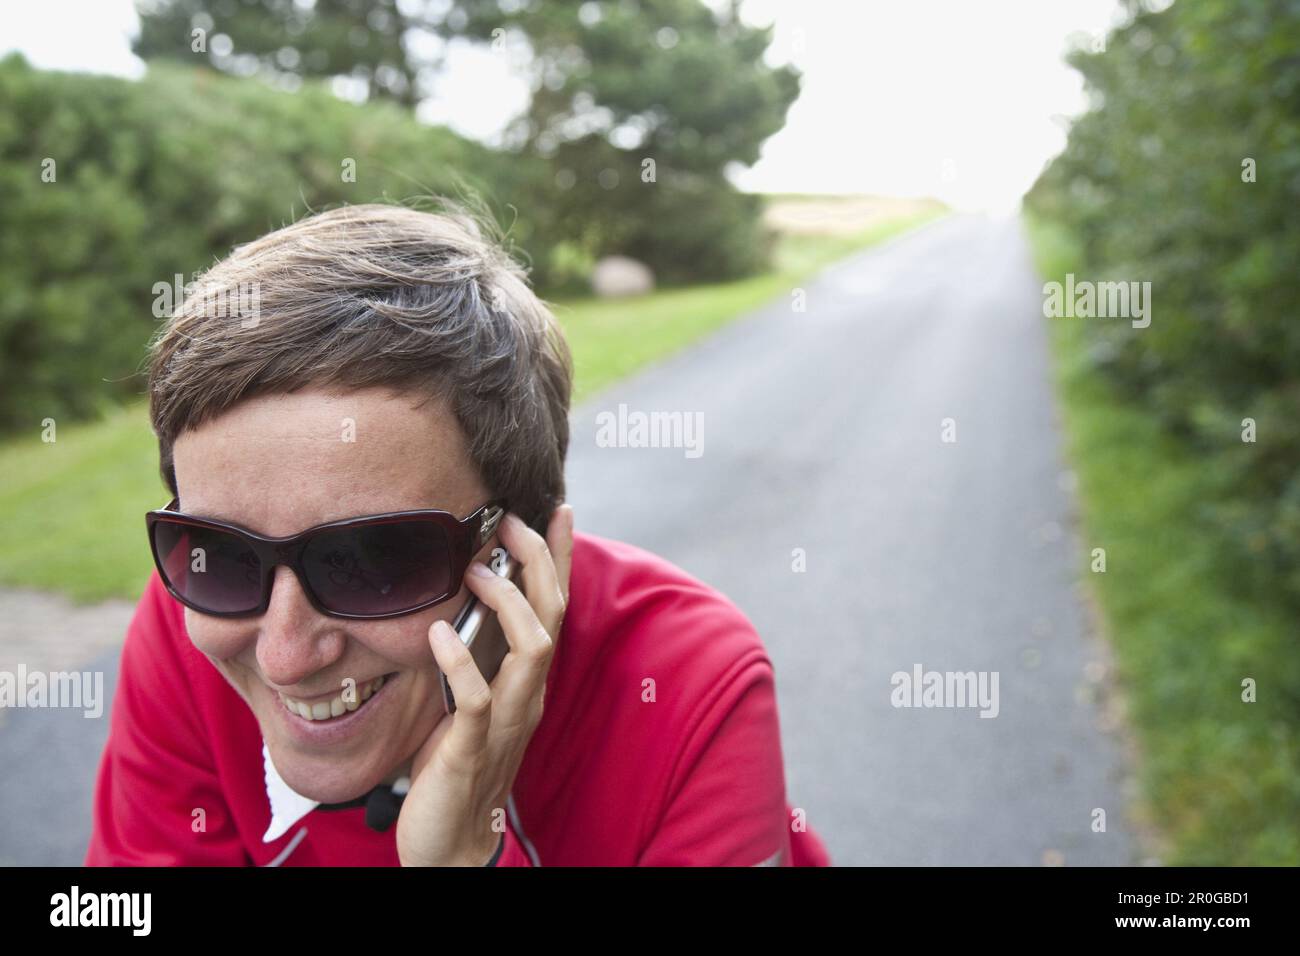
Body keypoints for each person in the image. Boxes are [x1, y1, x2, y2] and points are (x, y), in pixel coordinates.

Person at [84, 202, 831, 866]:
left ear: (521, 552)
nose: (282, 656)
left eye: (367, 562)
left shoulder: (687, 686)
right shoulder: (201, 614)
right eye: (224, 551)